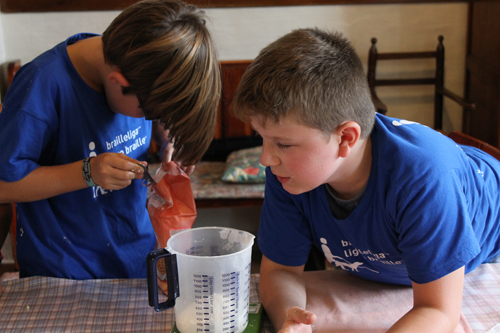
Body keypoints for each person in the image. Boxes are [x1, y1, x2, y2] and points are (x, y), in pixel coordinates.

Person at [232, 28, 500, 333]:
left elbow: (438, 310)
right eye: (262, 139)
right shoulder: (289, 173)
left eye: (283, 143)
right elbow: (280, 270)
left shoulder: (422, 178)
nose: (266, 158)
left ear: (346, 138)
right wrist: (289, 316)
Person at [0, 0, 220, 279]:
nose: (151, 119)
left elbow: (155, 113)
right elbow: (3, 186)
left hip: (136, 256)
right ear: (118, 81)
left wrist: (168, 138)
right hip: (66, 274)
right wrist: (87, 172)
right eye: (150, 112)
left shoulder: (137, 66)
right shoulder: (42, 85)